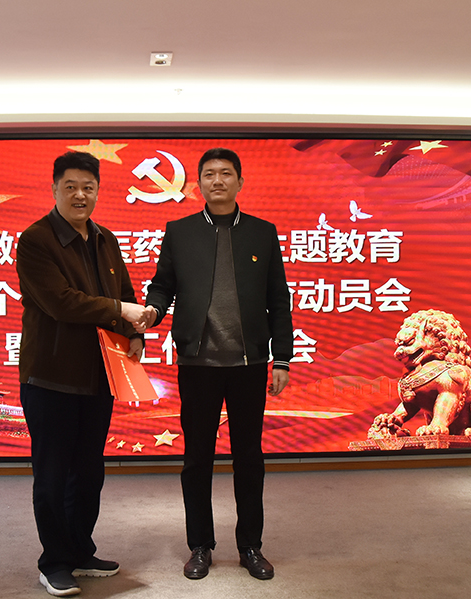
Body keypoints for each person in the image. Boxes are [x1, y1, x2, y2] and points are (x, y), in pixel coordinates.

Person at [140, 147, 293, 581]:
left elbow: (278, 298)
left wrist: (282, 357)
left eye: (226, 173)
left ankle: (250, 546)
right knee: (197, 459)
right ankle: (200, 546)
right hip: (197, 363)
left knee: (249, 457)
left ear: (240, 182)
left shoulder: (262, 232)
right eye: (209, 174)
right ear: (198, 184)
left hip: (248, 364)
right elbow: (162, 286)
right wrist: (151, 311)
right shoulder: (180, 231)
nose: (218, 180)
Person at [16, 151, 146, 597]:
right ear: (54, 188)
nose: (79, 195)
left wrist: (134, 333)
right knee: (52, 475)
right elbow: (61, 302)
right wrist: (120, 310)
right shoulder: (35, 240)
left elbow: (123, 291)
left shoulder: (105, 239)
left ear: (97, 192)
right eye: (70, 186)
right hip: (50, 378)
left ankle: (79, 550)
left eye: (88, 187)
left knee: (89, 473)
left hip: (98, 375)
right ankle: (54, 562)